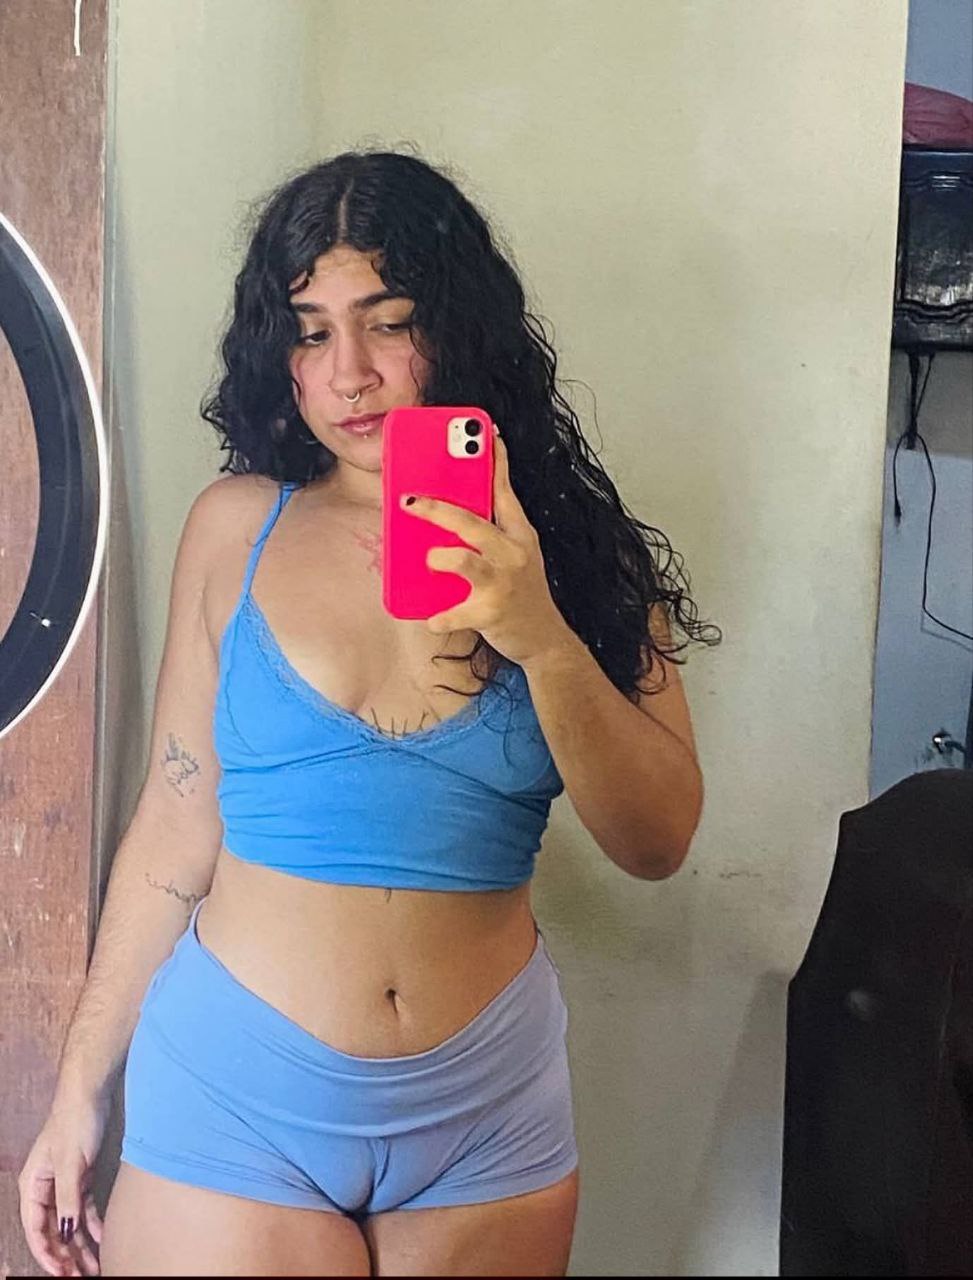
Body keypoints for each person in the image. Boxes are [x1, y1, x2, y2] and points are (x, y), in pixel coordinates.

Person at [19, 149, 719, 1277]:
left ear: (460, 330)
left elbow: (656, 841)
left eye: (388, 323)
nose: (349, 375)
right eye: (310, 333)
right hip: (238, 1102)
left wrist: (539, 632)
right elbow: (175, 828)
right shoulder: (235, 526)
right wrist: (77, 1090)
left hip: (487, 1118)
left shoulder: (575, 556)